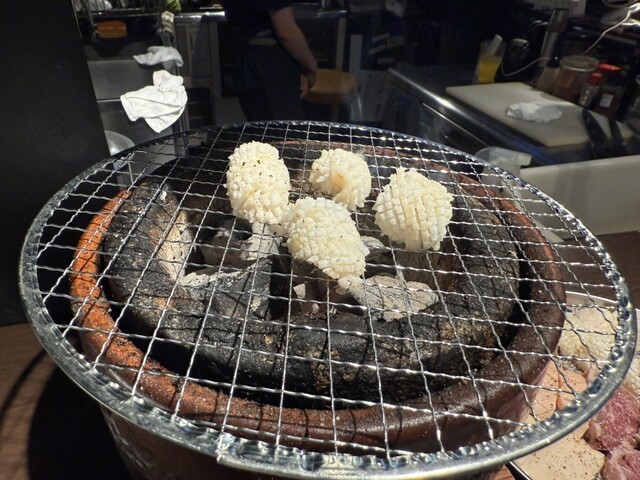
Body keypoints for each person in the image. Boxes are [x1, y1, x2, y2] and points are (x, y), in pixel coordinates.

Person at [222, 0, 318, 121]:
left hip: (249, 57)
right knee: (284, 129)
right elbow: (286, 32)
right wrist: (311, 66)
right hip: (268, 62)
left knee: (263, 127)